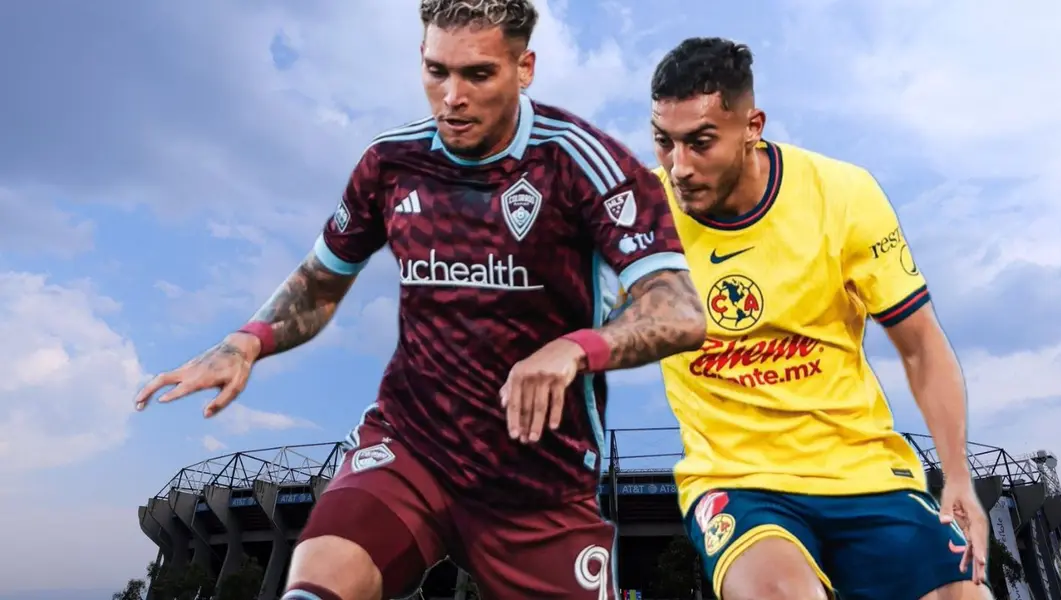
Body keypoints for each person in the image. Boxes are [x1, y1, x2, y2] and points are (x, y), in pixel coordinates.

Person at [133, 2, 708, 599]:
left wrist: (574, 348)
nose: (451, 97)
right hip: (411, 448)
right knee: (319, 580)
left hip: (538, 478)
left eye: (478, 74)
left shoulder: (582, 162)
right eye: (438, 71)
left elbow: (679, 309)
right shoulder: (392, 162)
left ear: (525, 67)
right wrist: (247, 341)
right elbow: (321, 280)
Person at [646, 37, 994, 600]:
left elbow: (921, 345)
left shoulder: (843, 194)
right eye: (664, 142)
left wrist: (955, 472)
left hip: (865, 472)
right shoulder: (640, 214)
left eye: (700, 142)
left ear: (752, 126)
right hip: (737, 479)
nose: (679, 166)